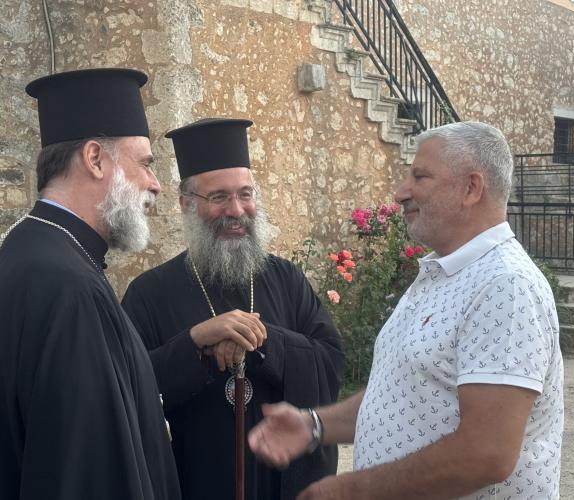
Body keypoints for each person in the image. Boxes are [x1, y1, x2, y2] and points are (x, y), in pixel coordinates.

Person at [249, 121, 564, 499]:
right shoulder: (443, 274)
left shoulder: (505, 285)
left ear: (471, 188)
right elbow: (403, 392)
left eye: (420, 176)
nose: (401, 192)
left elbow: (486, 454)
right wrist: (314, 425)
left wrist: (350, 492)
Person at [121, 118, 345, 500]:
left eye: (245, 194)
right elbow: (127, 385)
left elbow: (330, 363)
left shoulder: (287, 279)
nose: (237, 210)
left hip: (281, 484)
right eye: (219, 197)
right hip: (191, 481)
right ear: (187, 204)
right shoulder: (149, 293)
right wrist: (196, 345)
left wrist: (265, 342)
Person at [0, 68, 180, 500]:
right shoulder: (69, 286)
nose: (155, 185)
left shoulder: (33, 251)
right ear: (95, 158)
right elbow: (87, 472)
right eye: (146, 164)